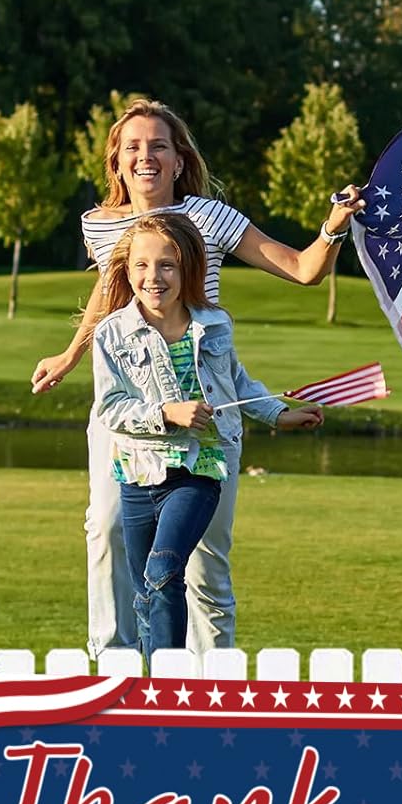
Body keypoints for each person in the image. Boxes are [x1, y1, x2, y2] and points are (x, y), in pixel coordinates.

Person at [29, 98, 365, 658]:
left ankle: (215, 686)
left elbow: (303, 270)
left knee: (205, 560)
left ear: (179, 159)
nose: (146, 157)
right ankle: (115, 665)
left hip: (206, 408)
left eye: (158, 145)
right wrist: (69, 355)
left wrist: (333, 227)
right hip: (129, 408)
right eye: (132, 148)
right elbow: (109, 293)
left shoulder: (211, 218)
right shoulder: (101, 225)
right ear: (117, 162)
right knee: (107, 530)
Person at [89, 214, 322, 660]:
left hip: (200, 466)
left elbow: (237, 383)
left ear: (187, 268)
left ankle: (170, 688)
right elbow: (110, 408)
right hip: (139, 471)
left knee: (163, 570)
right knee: (145, 593)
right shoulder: (111, 334)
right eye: (141, 266)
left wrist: (279, 415)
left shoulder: (214, 323)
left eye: (166, 265)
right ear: (127, 270)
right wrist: (166, 414)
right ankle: (156, 689)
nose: (153, 277)